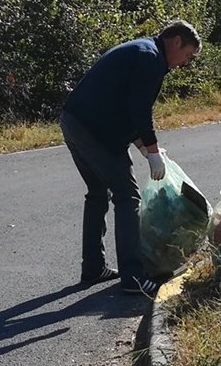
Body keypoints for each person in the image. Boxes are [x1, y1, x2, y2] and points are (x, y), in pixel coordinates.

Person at [60, 20, 201, 294]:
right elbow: (139, 110)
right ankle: (133, 277)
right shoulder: (150, 59)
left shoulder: (142, 50)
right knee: (128, 197)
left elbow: (124, 105)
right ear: (176, 42)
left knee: (98, 192)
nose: (185, 63)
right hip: (95, 130)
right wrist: (151, 150)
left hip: (74, 121)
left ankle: (93, 267)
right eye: (187, 55)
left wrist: (146, 148)